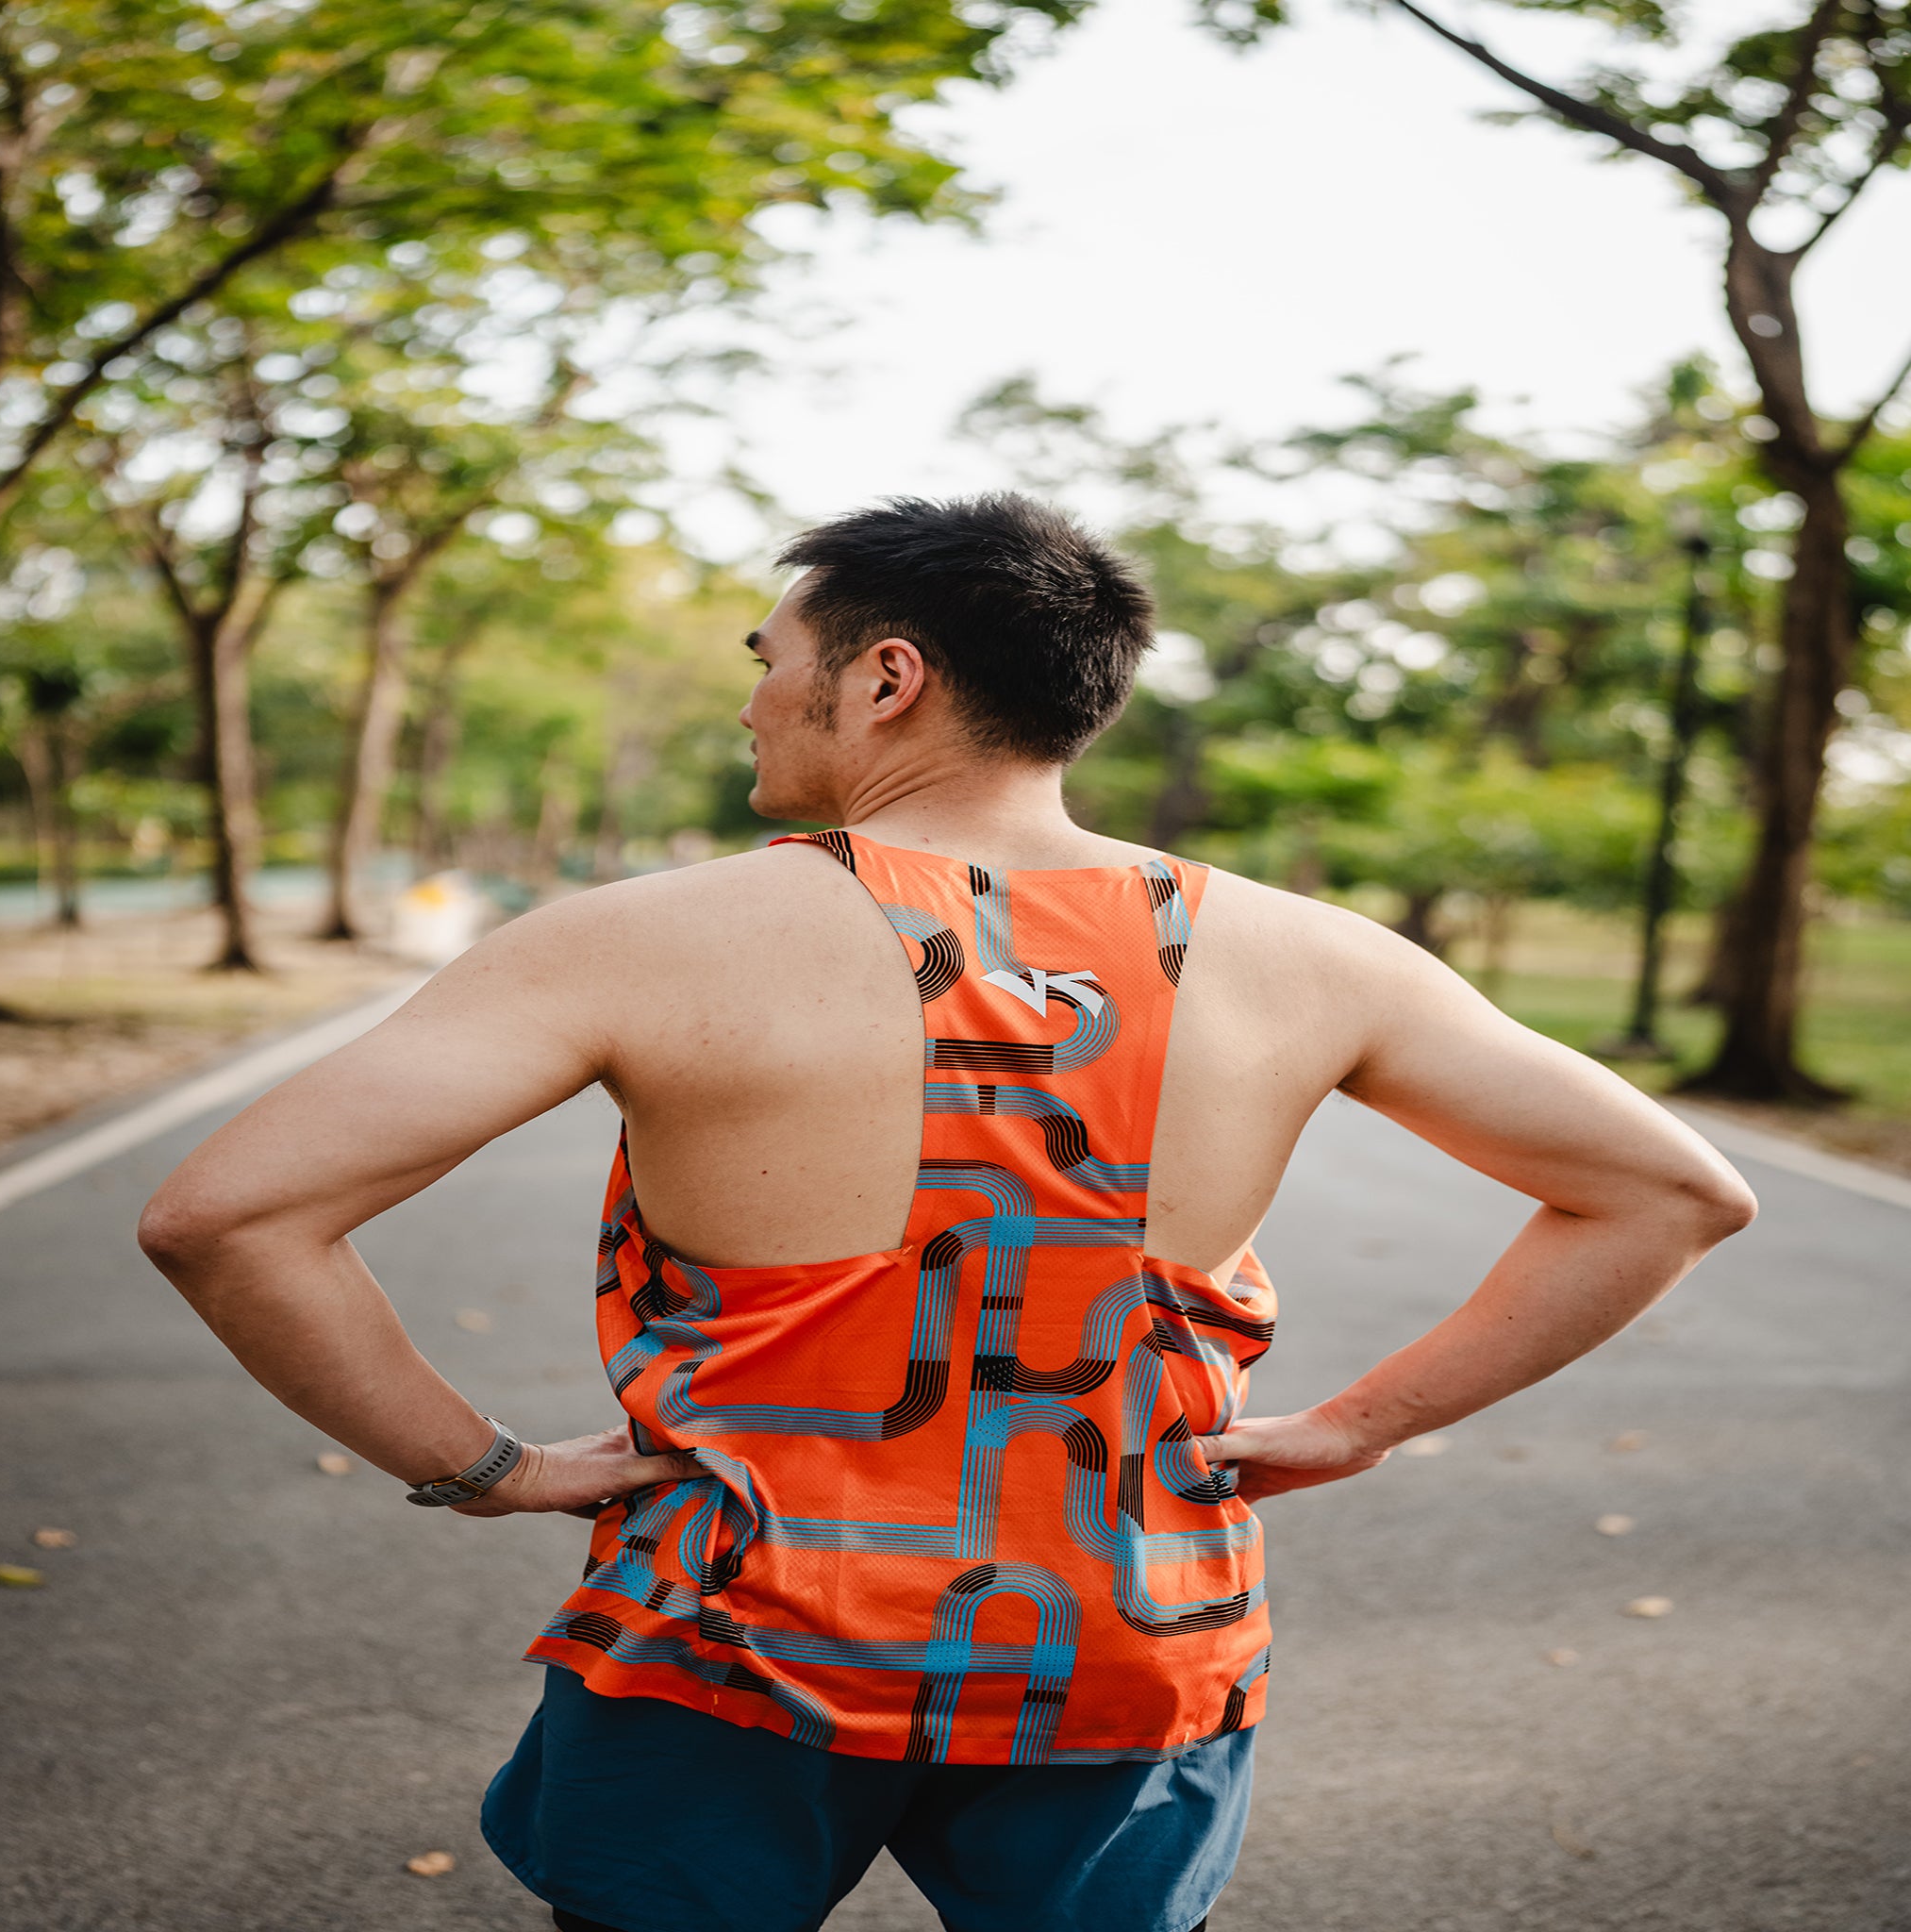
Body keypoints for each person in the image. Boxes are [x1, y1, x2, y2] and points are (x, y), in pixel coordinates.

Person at [139, 493, 1756, 1932]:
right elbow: (1669, 1191)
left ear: (885, 676)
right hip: (1127, 1652)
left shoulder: (645, 939)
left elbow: (226, 1219)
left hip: (733, 1640)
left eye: (769, 654)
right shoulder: (1315, 957)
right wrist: (1366, 1423)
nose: (752, 698)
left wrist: (483, 1469)